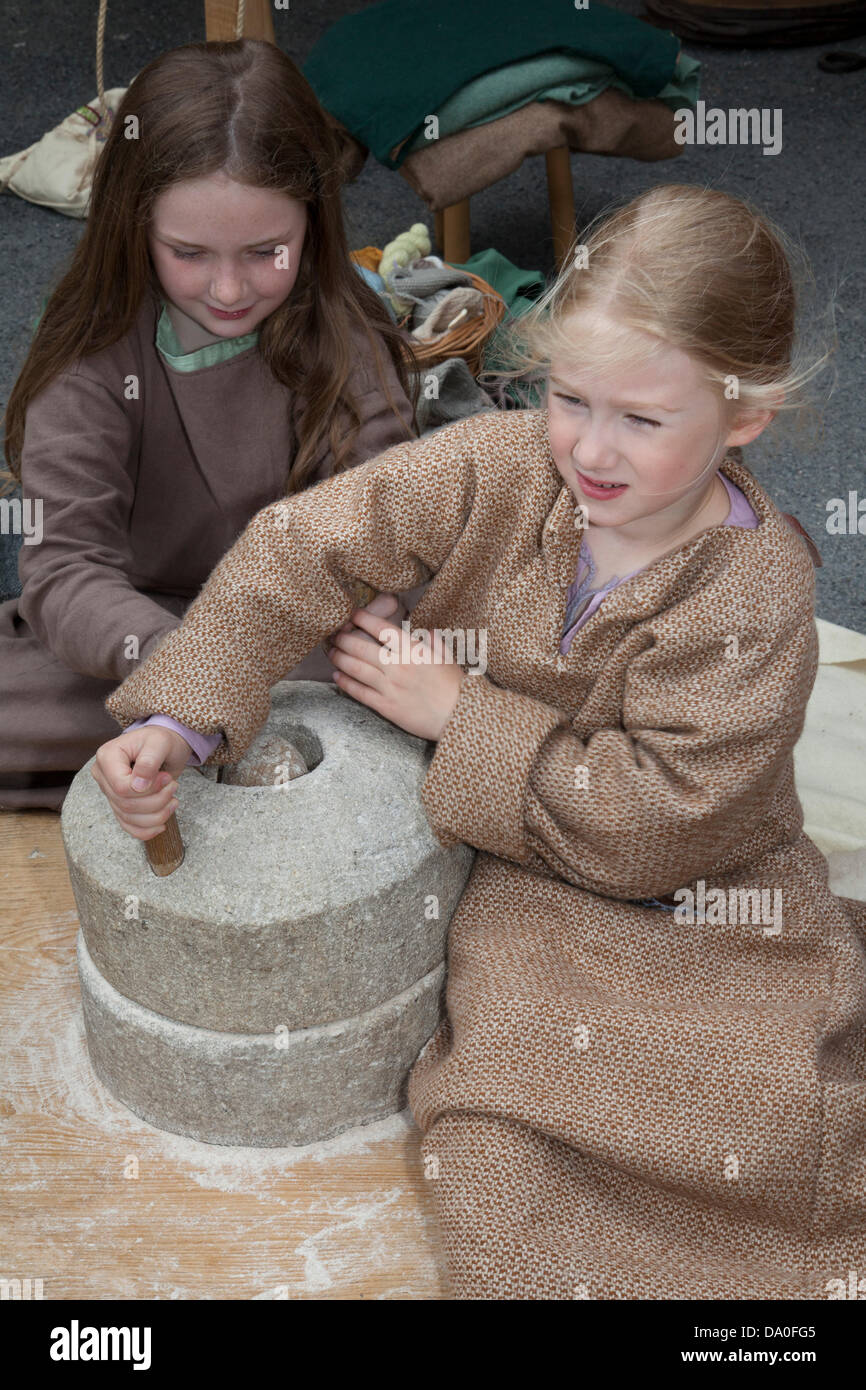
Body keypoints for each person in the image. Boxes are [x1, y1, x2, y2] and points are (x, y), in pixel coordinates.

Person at [92, 184, 864, 1299]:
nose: (590, 448)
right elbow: (297, 549)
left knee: (768, 1112)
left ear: (743, 416)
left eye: (641, 420)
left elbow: (660, 823)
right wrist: (181, 713)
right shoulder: (498, 466)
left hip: (701, 892)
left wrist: (455, 711)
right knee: (496, 1144)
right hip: (521, 878)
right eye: (568, 397)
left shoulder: (755, 592)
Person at [0, 37, 421, 812]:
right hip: (132, 635)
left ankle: (188, 743)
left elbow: (385, 528)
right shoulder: (92, 352)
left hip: (296, 637)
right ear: (135, 228)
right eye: (188, 253)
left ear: (313, 226)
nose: (229, 289)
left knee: (447, 683)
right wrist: (190, 671)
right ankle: (208, 740)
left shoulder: (346, 333)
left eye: (268, 252)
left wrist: (375, 595)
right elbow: (65, 575)